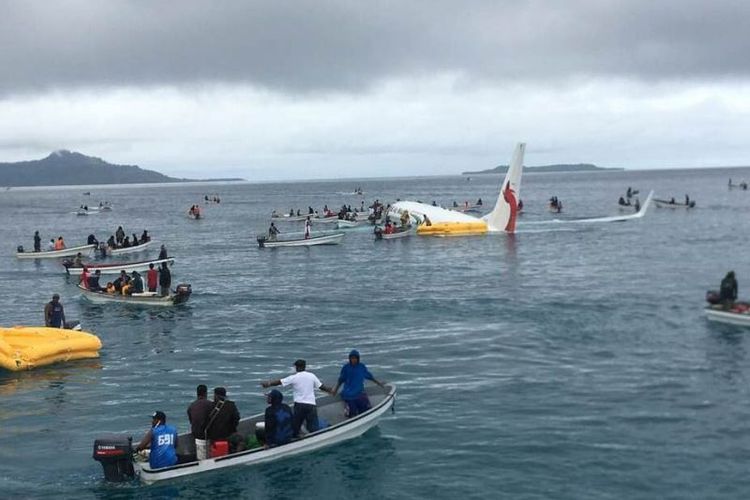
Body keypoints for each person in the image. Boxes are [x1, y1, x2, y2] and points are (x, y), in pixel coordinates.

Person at [261, 359, 334, 437]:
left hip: (299, 405)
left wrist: (268, 384)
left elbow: (280, 382)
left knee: (296, 425)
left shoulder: (294, 377)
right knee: (313, 426)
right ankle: (315, 438)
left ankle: (295, 438)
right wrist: (330, 390)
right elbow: (321, 387)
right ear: (304, 367)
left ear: (296, 367)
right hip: (311, 405)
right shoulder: (312, 376)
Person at [332, 350, 386, 417]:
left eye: (355, 358)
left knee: (367, 410)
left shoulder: (361, 367)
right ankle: (348, 413)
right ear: (349, 359)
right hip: (348, 395)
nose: (353, 360)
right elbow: (340, 380)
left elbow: (370, 377)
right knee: (352, 413)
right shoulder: (346, 368)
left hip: (359, 393)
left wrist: (379, 383)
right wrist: (335, 390)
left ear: (358, 359)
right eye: (352, 358)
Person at [187, 384, 213, 460]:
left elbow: (191, 421)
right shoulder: (210, 404)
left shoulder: (191, 406)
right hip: (206, 434)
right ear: (206, 393)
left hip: (195, 433)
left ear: (197, 393)